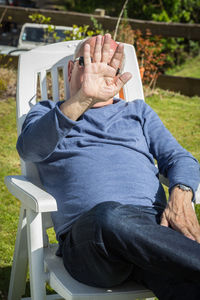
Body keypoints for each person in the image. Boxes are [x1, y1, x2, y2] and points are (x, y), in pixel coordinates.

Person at [17, 34, 200, 299]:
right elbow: (29, 149)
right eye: (88, 61)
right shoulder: (48, 112)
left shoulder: (137, 112)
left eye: (110, 65)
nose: (99, 71)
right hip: (92, 243)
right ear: (71, 69)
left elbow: (180, 158)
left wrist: (181, 194)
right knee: (110, 217)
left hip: (154, 231)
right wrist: (83, 98)